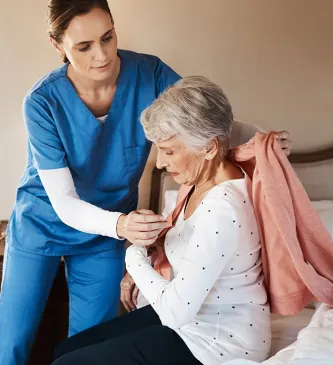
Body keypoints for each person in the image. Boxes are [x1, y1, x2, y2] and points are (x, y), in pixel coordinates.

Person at [0, 1, 290, 364]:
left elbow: (201, 120)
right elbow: (64, 202)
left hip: (107, 233)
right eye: (84, 46)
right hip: (44, 222)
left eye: (108, 37)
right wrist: (123, 227)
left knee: (86, 344)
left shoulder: (150, 75)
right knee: (9, 343)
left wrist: (259, 141)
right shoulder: (42, 102)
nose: (102, 55)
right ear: (57, 45)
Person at [52, 76, 271, 365]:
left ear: (208, 148)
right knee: (63, 351)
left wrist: (134, 255)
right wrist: (156, 237)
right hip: (191, 322)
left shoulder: (224, 209)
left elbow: (174, 311)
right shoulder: (201, 180)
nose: (160, 163)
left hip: (218, 342)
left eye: (168, 150)